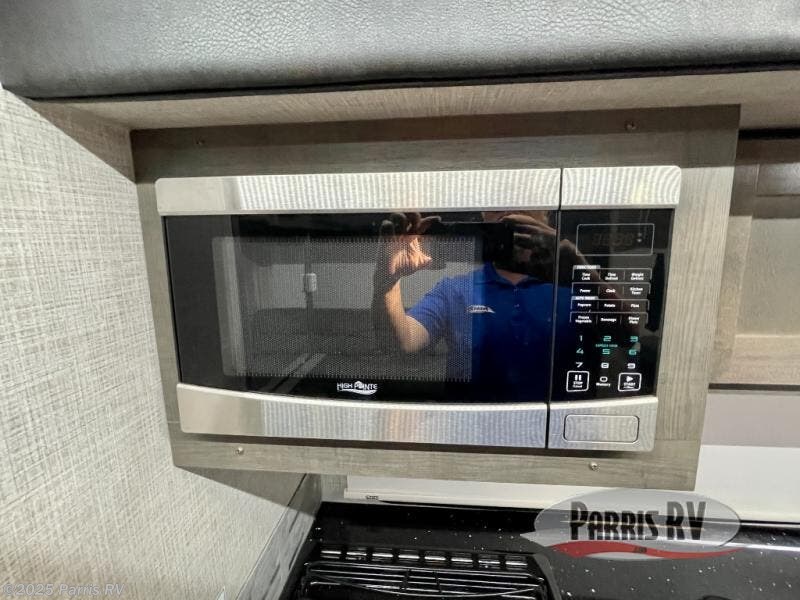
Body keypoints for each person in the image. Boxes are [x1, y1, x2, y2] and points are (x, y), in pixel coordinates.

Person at [371, 211, 578, 402]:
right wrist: (387, 282)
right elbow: (402, 343)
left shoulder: (573, 285)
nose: (512, 213)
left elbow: (601, 337)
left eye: (524, 212)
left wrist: (577, 264)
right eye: (499, 212)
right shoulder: (454, 289)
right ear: (484, 219)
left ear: (546, 217)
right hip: (465, 424)